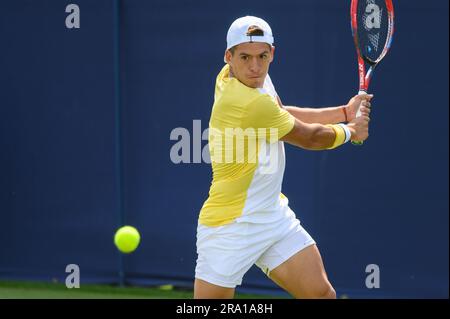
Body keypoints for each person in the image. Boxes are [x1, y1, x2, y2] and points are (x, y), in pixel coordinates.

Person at [194, 16, 372, 299]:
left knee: (321, 295)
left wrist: (344, 113)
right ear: (229, 57)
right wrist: (350, 132)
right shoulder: (245, 101)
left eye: (262, 56)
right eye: (245, 57)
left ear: (272, 53)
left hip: (272, 216)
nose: (254, 66)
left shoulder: (254, 81)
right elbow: (309, 137)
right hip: (230, 226)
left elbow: (282, 114)